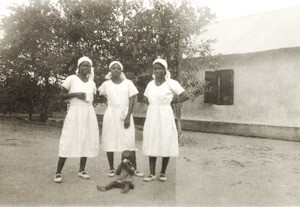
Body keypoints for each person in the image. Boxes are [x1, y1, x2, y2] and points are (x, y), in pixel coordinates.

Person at [142, 58, 189, 182]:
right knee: (152, 139)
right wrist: (153, 104)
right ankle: (152, 173)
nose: (157, 70)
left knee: (165, 139)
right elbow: (145, 99)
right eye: (155, 68)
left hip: (165, 114)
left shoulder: (171, 83)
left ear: (165, 70)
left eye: (160, 68)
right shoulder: (150, 84)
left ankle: (162, 172)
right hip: (152, 115)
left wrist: (172, 101)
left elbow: (185, 95)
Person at [53, 56, 99, 183]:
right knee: (68, 139)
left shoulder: (92, 82)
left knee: (86, 139)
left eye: (88, 66)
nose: (86, 68)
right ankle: (58, 172)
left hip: (88, 112)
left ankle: (82, 170)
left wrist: (87, 97)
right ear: (78, 67)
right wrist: (76, 94)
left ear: (91, 68)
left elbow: (93, 97)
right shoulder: (71, 79)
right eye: (83, 65)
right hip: (74, 112)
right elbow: (61, 96)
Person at [98, 61, 143, 177]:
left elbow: (133, 99)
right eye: (113, 68)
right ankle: (111, 168)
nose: (116, 70)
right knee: (109, 139)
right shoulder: (106, 84)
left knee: (129, 140)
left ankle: (134, 167)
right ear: (110, 70)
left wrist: (128, 116)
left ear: (121, 71)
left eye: (118, 68)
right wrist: (109, 103)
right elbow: (100, 94)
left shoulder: (128, 83)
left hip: (125, 113)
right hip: (111, 113)